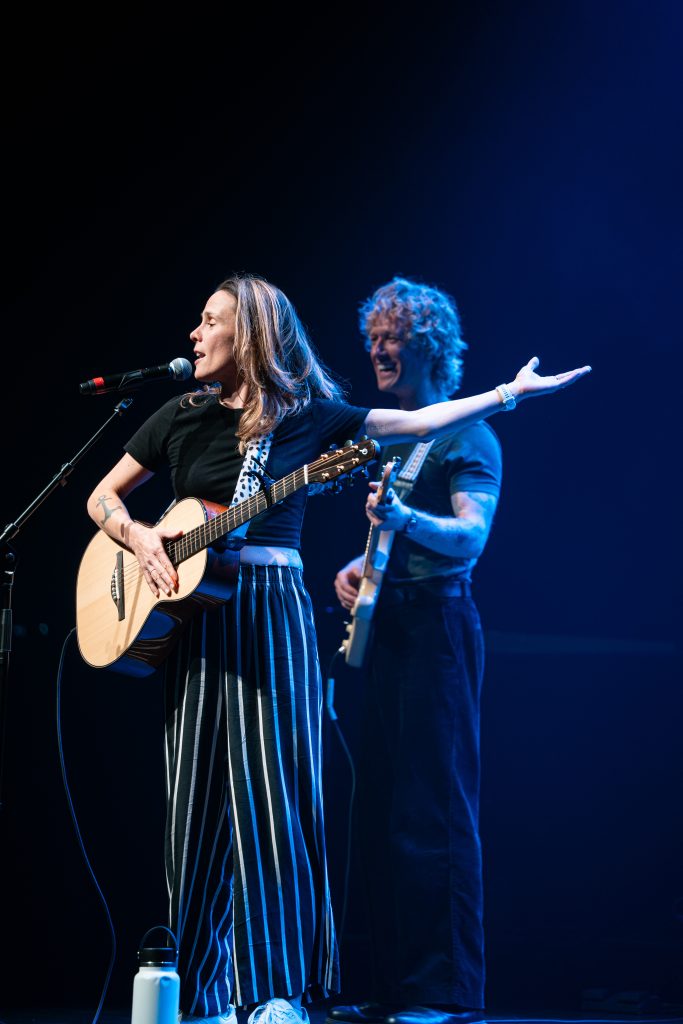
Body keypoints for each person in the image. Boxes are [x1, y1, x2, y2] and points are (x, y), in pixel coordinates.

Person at [85, 272, 590, 1024]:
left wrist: (507, 394)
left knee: (276, 802)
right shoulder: (179, 414)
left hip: (271, 606)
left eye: (211, 320)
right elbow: (102, 497)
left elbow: (420, 423)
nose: (195, 333)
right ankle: (201, 992)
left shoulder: (306, 417)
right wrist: (140, 536)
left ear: (251, 334)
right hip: (192, 618)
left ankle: (276, 992)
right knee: (192, 808)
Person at [329, 276, 579, 1024]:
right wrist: (359, 566)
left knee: (432, 811)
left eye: (392, 339)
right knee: (377, 810)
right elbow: (394, 530)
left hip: (437, 632)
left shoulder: (470, 437)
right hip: (388, 629)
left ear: (430, 347)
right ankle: (387, 987)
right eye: (373, 338)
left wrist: (403, 522)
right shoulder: (399, 436)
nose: (377, 351)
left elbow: (469, 539)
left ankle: (442, 992)